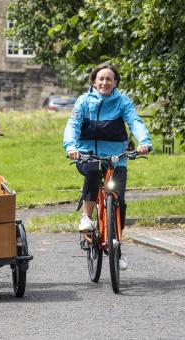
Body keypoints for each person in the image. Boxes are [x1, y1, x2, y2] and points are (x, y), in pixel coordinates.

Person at [63, 62, 152, 270]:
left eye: (109, 79)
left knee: (118, 199)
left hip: (116, 157)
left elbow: (135, 121)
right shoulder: (83, 101)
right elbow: (73, 125)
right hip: (87, 154)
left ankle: (116, 248)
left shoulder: (122, 102)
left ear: (115, 83)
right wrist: (71, 147)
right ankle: (86, 217)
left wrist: (144, 142)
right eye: (100, 78)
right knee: (93, 173)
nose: (104, 82)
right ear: (94, 81)